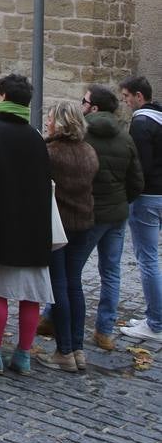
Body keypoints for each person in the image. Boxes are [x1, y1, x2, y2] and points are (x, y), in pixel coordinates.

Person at [0, 72, 53, 376]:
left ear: (3, 96)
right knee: (31, 294)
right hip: (33, 228)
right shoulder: (34, 135)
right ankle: (24, 355)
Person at [80, 84, 143, 350]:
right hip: (117, 214)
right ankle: (105, 330)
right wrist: (121, 200)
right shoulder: (125, 137)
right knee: (112, 272)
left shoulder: (82, 135)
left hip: (90, 211)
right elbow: (137, 181)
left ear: (93, 107)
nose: (81, 104)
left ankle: (52, 317)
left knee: (70, 269)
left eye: (84, 101)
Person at [36, 99, 98, 373]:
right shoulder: (88, 152)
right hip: (83, 222)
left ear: (59, 122)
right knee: (74, 284)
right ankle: (77, 349)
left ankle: (64, 351)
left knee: (59, 286)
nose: (47, 122)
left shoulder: (50, 152)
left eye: (50, 118)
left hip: (59, 225)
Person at [118, 75, 162, 344]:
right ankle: (154, 315)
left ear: (138, 96)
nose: (124, 102)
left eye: (126, 97)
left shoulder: (142, 123)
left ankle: (155, 322)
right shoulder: (158, 117)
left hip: (148, 197)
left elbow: (139, 167)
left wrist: (130, 195)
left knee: (148, 260)